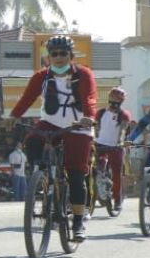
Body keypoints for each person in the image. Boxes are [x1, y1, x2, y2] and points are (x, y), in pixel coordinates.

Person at [9, 34, 96, 241]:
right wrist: (14, 116)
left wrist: (89, 118)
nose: (58, 57)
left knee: (75, 173)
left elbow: (90, 99)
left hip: (78, 126)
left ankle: (78, 221)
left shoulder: (83, 74)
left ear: (70, 55)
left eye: (63, 53)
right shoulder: (41, 76)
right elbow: (27, 98)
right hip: (50, 123)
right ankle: (41, 178)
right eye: (54, 54)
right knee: (32, 139)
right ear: (48, 56)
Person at [93, 86, 134, 212]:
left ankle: (117, 200)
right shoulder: (100, 112)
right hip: (100, 144)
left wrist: (120, 142)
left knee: (117, 174)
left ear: (121, 100)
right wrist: (94, 138)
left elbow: (122, 129)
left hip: (116, 146)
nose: (114, 100)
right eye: (112, 97)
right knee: (91, 169)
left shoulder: (124, 114)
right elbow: (96, 128)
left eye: (118, 98)